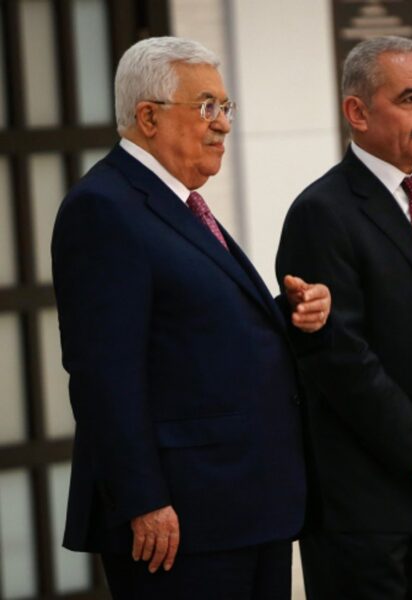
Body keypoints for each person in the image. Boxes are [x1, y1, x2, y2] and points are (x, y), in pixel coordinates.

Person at [51, 36, 330, 599]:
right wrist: (143, 500)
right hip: (179, 522)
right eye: (207, 107)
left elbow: (192, 335)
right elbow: (105, 374)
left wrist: (287, 314)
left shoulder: (175, 204)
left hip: (246, 507)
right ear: (148, 117)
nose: (223, 124)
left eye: (226, 108)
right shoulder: (104, 207)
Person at [276, 36, 412, 599]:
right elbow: (339, 359)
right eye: (411, 98)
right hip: (363, 513)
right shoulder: (322, 213)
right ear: (358, 112)